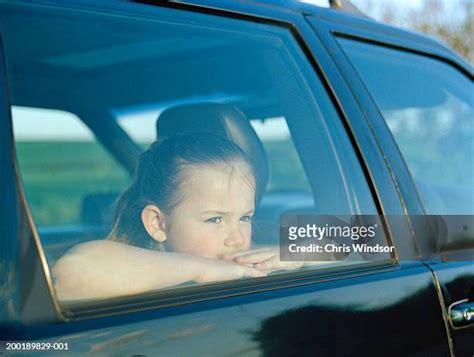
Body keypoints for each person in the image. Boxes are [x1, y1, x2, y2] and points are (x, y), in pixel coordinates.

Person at [53, 134, 306, 302]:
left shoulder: (250, 252)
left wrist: (301, 254)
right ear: (157, 223)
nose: (237, 239)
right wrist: (199, 269)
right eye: (215, 220)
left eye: (245, 218)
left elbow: (344, 235)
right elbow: (69, 274)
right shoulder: (126, 265)